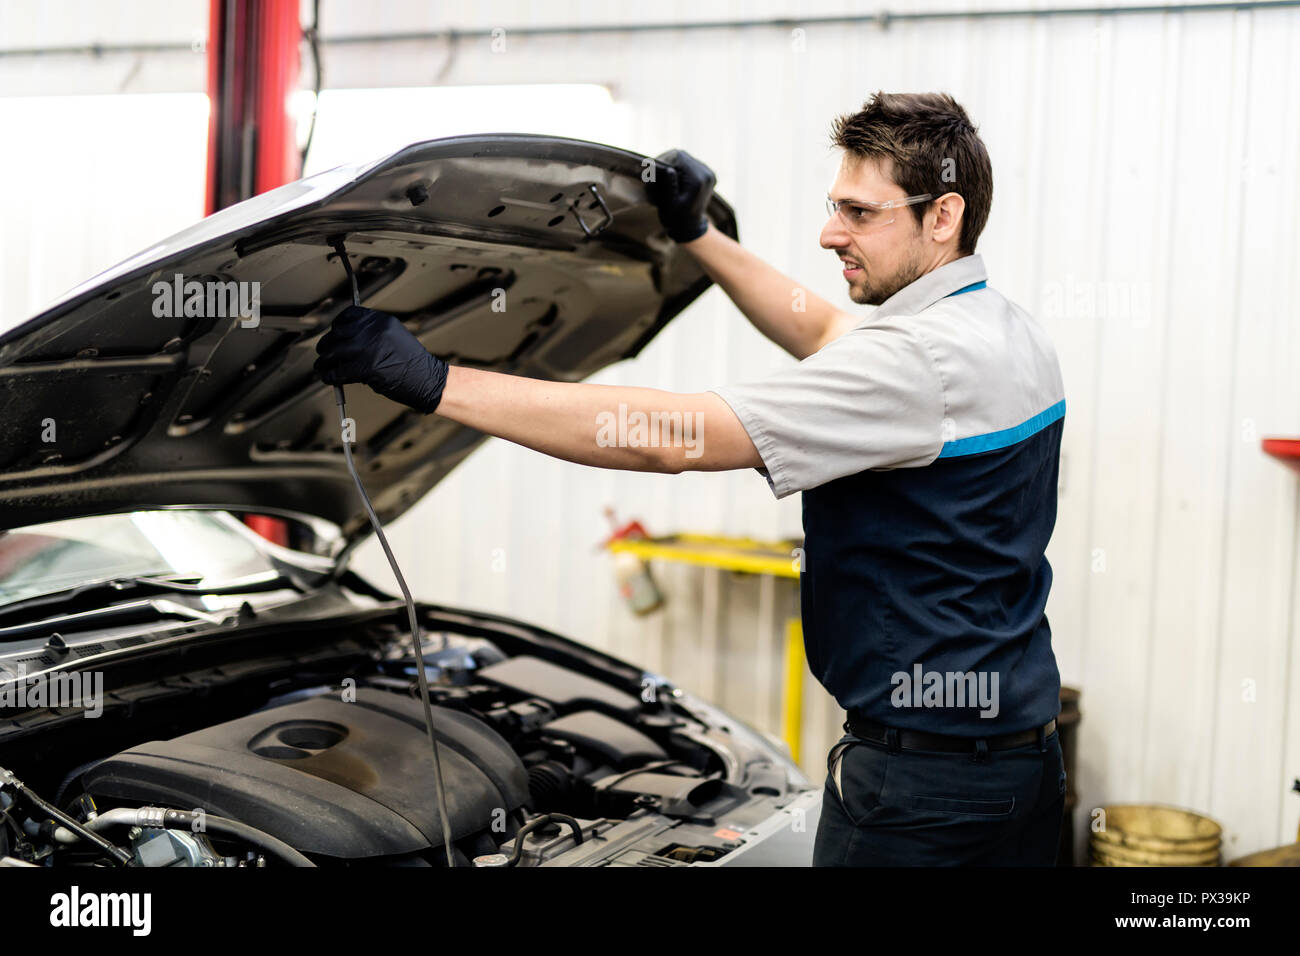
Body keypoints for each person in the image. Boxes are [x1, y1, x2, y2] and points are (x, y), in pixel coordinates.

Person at [315, 91, 1068, 866]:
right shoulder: (1002, 331)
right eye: (832, 206)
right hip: (1019, 767)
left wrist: (438, 383)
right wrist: (696, 235)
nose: (828, 233)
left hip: (920, 796)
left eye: (859, 213)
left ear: (942, 216)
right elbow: (821, 328)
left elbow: (671, 439)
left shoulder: (914, 363)